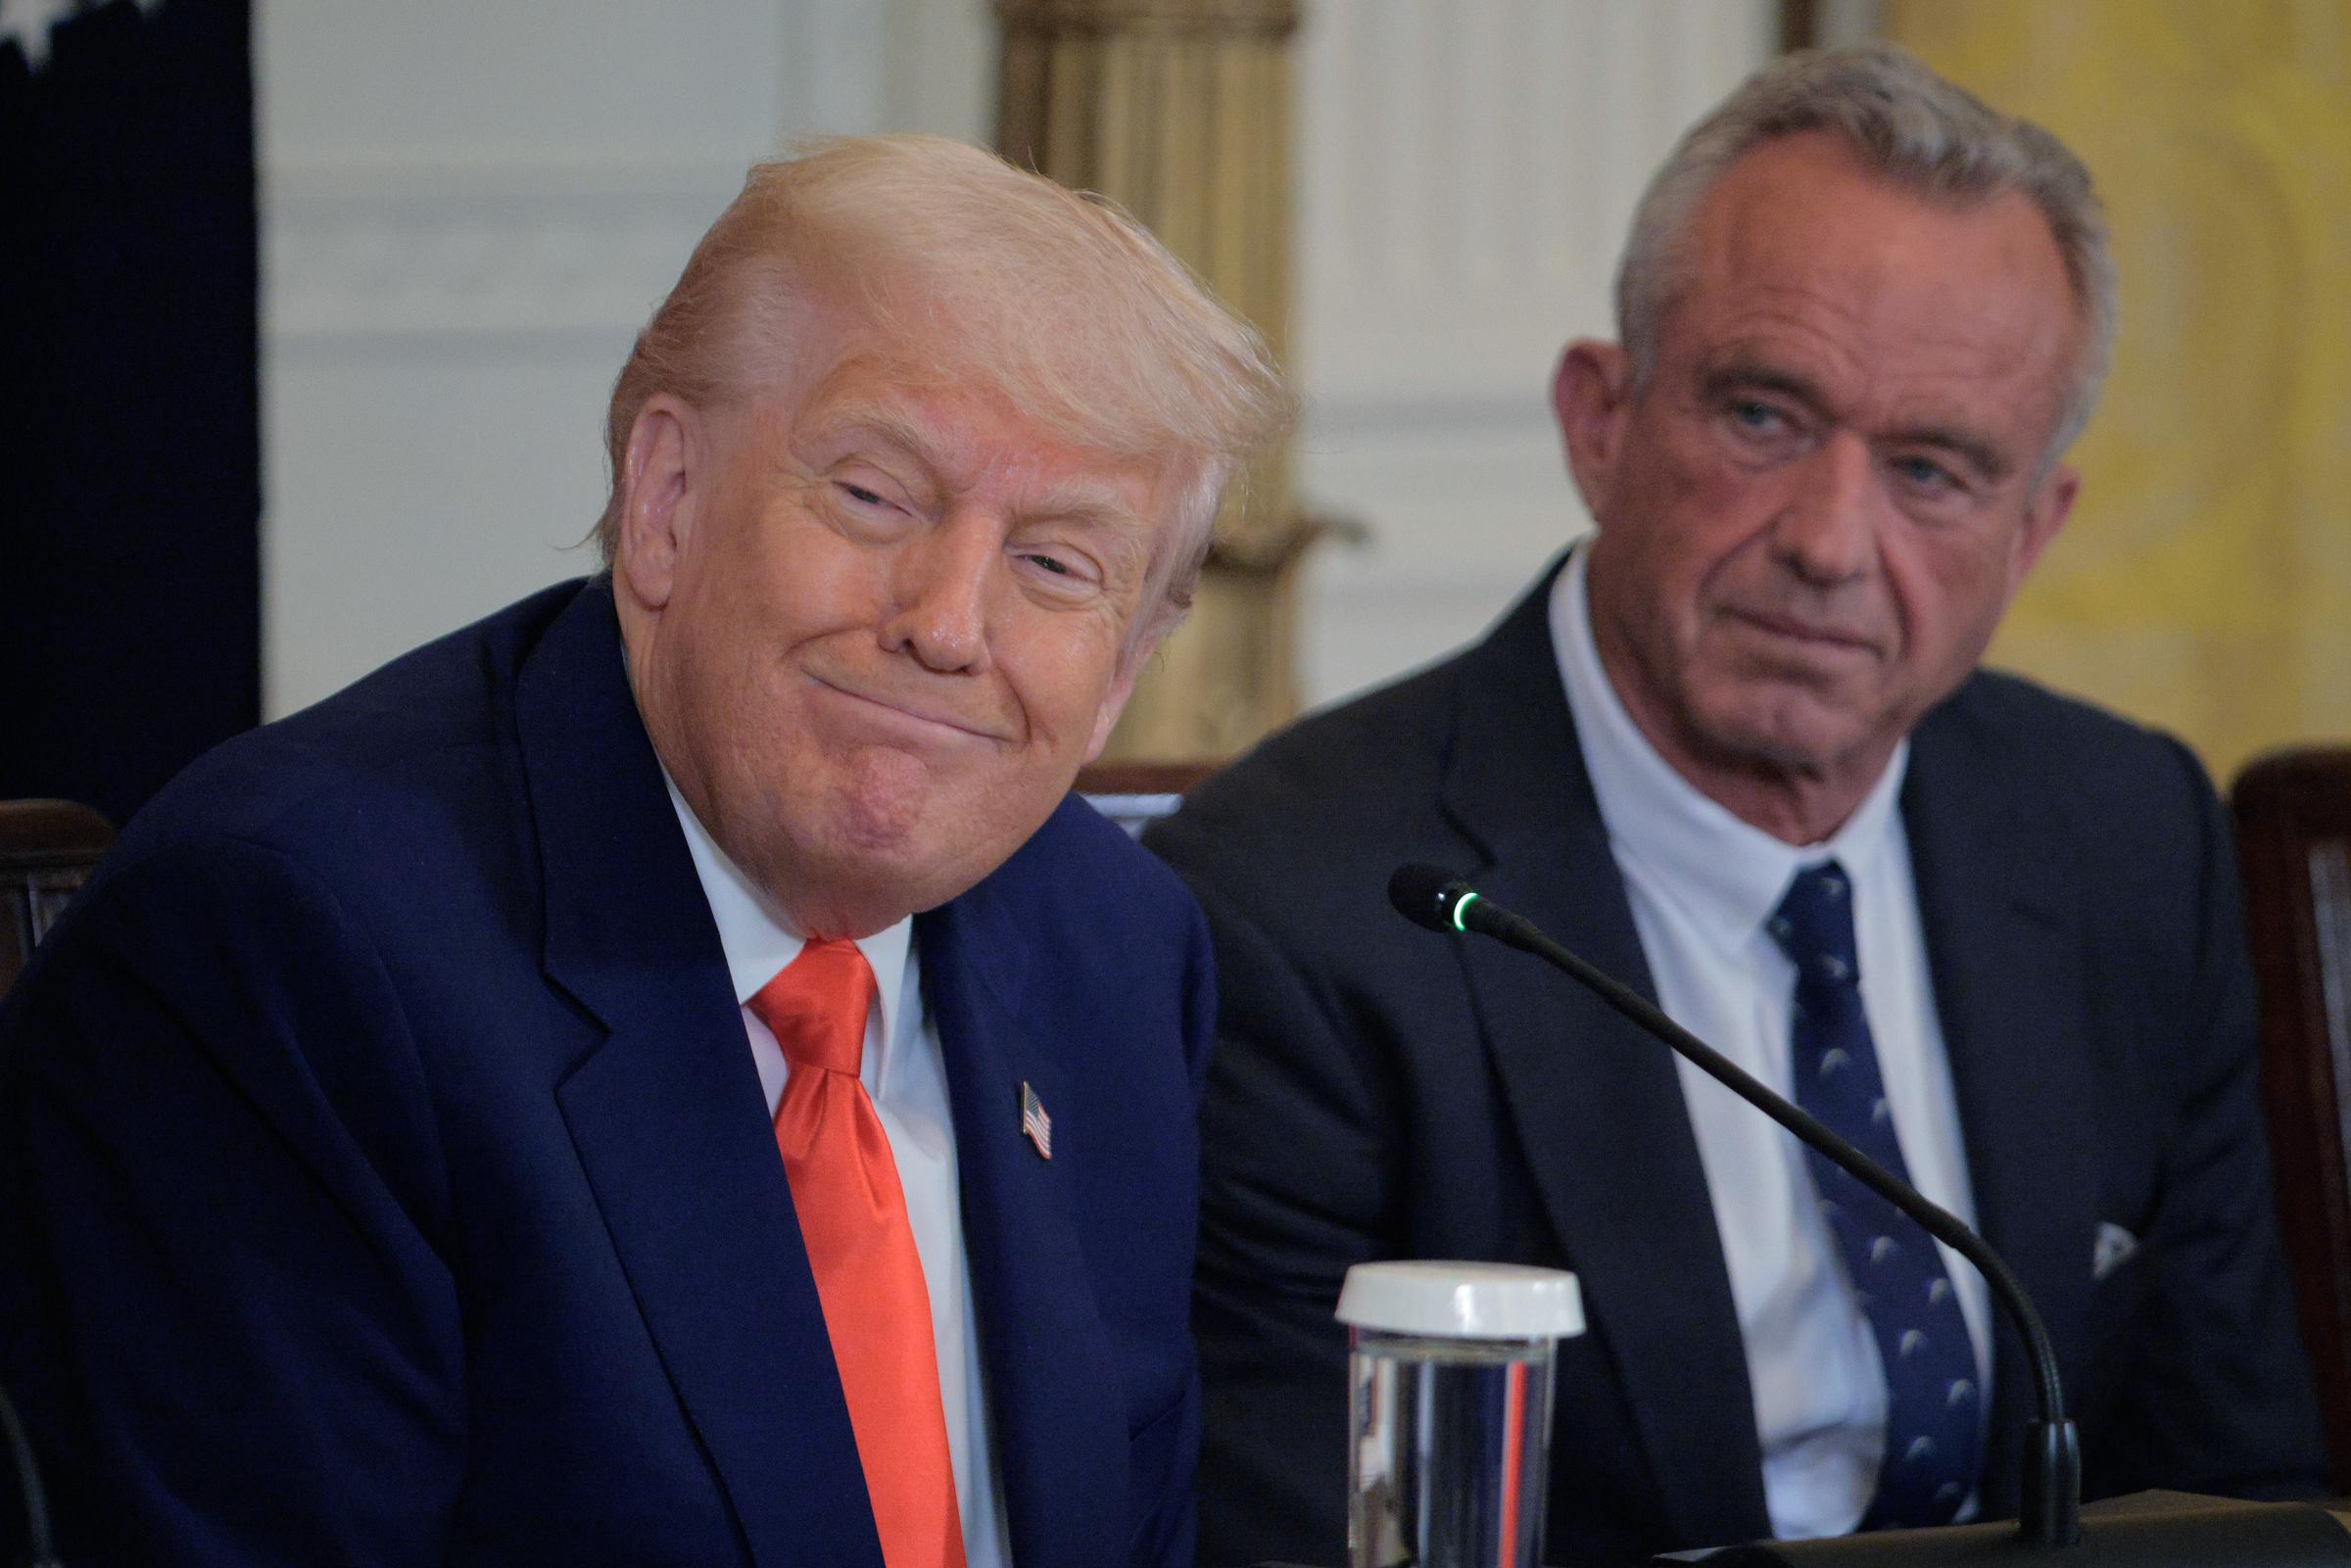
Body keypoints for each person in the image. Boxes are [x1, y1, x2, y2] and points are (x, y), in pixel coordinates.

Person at [0, 134, 1288, 1568]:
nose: (947, 621)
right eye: (876, 495)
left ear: (1125, 667)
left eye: (1056, 563)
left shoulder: (1116, 951)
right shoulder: (286, 952)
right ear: (667, 498)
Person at [1145, 45, 2327, 1568]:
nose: (1832, 542)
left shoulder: (2122, 835)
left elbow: (2242, 1502)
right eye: (1765, 417)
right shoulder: (1301, 908)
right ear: (1600, 419)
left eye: (1933, 468)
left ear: (2033, 532)